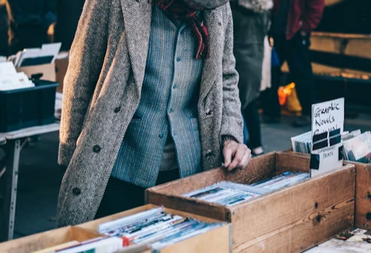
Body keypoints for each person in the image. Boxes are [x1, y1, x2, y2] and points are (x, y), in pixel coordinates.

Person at [56, 0, 250, 227]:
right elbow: (81, 74)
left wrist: (231, 136)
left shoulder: (218, 8)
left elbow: (226, 76)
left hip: (188, 173)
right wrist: (69, 160)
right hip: (116, 169)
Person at [272, 0, 325, 127]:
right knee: (272, 72)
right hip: (280, 31)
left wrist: (305, 27)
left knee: (302, 74)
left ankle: (308, 114)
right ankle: (272, 113)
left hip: (294, 32)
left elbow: (317, 6)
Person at [231, 0, 272, 156]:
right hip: (257, 56)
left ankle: (238, 145)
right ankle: (256, 145)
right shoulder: (265, 10)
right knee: (251, 101)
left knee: (235, 103)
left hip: (237, 57)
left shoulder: (234, 7)